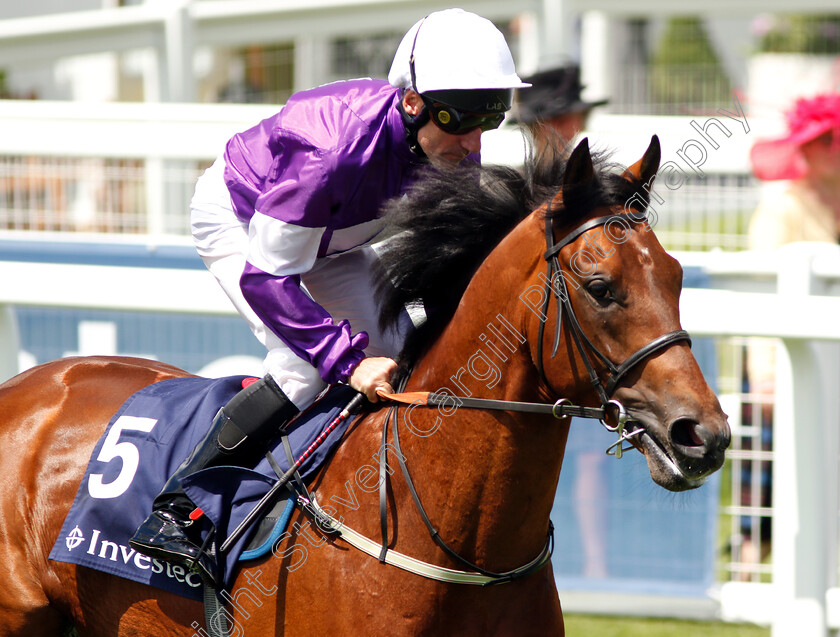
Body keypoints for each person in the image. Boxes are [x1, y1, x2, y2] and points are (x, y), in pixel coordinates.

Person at [129, 8, 530, 585]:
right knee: (305, 369)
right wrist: (346, 360)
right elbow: (267, 278)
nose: (474, 140)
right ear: (413, 101)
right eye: (461, 118)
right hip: (242, 223)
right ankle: (179, 507)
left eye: (491, 117)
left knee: (402, 346)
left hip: (330, 242)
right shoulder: (331, 148)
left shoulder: (452, 141)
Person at [741, 93, 840, 577]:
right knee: (765, 471)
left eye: (833, 141)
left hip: (833, 365)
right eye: (821, 143)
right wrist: (764, 377)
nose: (830, 151)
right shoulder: (781, 210)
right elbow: (763, 298)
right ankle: (748, 568)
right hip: (785, 363)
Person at [511, 64, 608, 155]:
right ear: (533, 127)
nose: (563, 129)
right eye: (555, 120)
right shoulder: (517, 173)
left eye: (569, 119)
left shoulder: (592, 172)